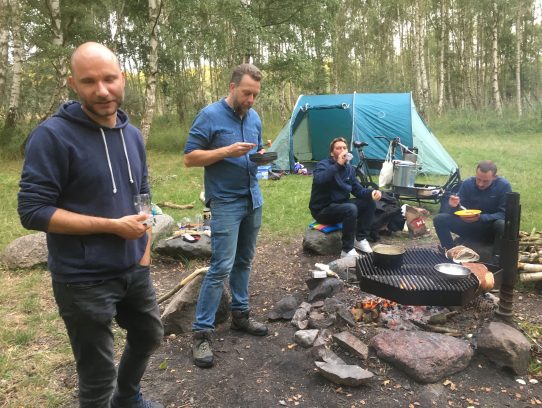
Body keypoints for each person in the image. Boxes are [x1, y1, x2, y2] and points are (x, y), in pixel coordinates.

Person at [17, 42, 164, 408]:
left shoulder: (131, 134)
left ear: (123, 78)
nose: (102, 90)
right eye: (89, 81)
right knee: (96, 376)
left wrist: (143, 253)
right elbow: (33, 210)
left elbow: (142, 194)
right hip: (83, 279)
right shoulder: (52, 136)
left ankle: (128, 398)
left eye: (109, 79)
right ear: (72, 84)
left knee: (149, 336)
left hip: (134, 269)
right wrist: (111, 227)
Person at [184, 63, 269, 368]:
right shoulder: (210, 116)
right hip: (226, 202)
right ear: (233, 87)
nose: (251, 99)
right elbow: (189, 158)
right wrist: (225, 151)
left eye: (255, 94)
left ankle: (241, 316)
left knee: (245, 260)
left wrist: (263, 162)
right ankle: (201, 334)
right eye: (247, 93)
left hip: (252, 198)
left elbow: (255, 154)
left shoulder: (255, 117)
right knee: (221, 266)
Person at [309, 137, 382, 258]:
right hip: (323, 210)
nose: (342, 150)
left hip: (341, 207)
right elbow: (319, 180)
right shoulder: (323, 165)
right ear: (332, 153)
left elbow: (358, 190)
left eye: (344, 148)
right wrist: (338, 164)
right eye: (338, 148)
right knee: (350, 208)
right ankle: (347, 250)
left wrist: (371, 193)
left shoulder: (349, 169)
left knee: (369, 202)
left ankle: (360, 239)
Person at [433, 160, 512, 260]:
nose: (481, 184)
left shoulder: (503, 186)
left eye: (485, 181)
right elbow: (459, 208)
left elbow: (504, 214)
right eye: (478, 179)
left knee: (502, 225)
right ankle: (452, 252)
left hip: (489, 229)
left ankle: (496, 260)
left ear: (494, 177)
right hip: (469, 226)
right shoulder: (468, 184)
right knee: (439, 219)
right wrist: (453, 206)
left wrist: (481, 218)